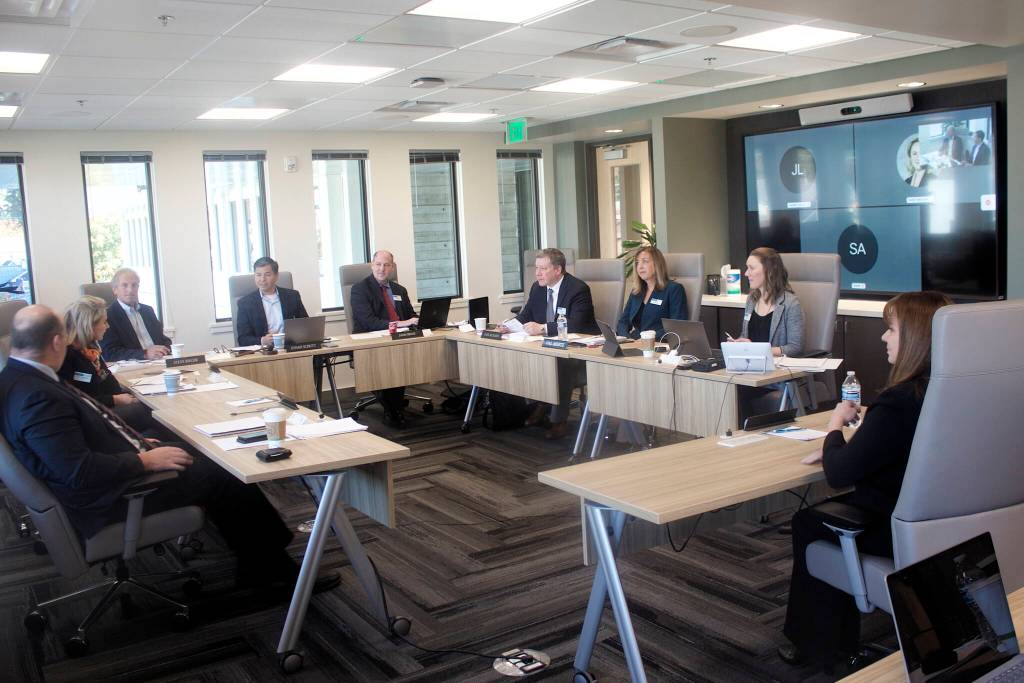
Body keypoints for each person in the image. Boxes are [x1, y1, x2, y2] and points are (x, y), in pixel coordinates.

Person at [0, 305, 338, 593]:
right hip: (112, 499)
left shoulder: (17, 379)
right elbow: (77, 472)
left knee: (200, 451)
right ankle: (272, 574)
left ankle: (257, 555)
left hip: (108, 481)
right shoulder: (36, 395)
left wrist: (142, 447)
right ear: (57, 341)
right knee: (224, 471)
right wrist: (142, 461)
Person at [778, 291, 953, 670]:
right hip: (946, 526)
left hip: (892, 525)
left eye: (890, 330)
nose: (883, 338)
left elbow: (839, 474)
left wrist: (835, 426)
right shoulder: (946, 392)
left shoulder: (897, 402)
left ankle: (819, 646)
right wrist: (865, 431)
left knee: (809, 521)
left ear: (916, 339)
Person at [502, 248, 597, 439]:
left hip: (577, 351)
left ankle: (558, 420)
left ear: (558, 270)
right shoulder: (538, 288)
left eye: (543, 269)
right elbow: (525, 316)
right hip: (545, 346)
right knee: (517, 357)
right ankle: (539, 404)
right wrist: (507, 327)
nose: (537, 273)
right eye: (537, 268)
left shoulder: (578, 289)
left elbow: (576, 324)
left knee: (559, 364)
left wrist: (543, 328)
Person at [59, 295, 160, 434]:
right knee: (153, 413)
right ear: (90, 325)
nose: (107, 326)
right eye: (104, 322)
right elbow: (79, 399)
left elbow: (107, 378)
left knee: (153, 410)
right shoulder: (68, 355)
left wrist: (121, 396)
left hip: (105, 406)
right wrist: (114, 399)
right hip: (93, 416)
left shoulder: (90, 349)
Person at [349, 250, 418, 427]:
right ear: (372, 266)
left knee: (402, 359)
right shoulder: (360, 289)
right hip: (370, 343)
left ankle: (393, 406)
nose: (382, 269)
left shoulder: (399, 290)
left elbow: (410, 315)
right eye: (378, 264)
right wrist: (402, 324)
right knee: (390, 362)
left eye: (386, 265)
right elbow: (369, 322)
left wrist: (419, 321)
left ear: (392, 268)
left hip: (398, 341)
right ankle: (393, 410)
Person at [733, 247, 804, 357]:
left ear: (769, 271)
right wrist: (738, 344)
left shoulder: (791, 303)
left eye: (751, 268)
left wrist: (756, 349)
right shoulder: (751, 299)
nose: (746, 273)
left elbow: (795, 348)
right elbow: (746, 336)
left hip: (777, 369)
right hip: (751, 365)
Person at [100, 268, 172, 362]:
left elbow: (162, 339)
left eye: (134, 285)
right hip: (133, 366)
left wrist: (166, 348)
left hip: (159, 362)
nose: (130, 290)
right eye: (124, 285)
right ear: (115, 290)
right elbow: (110, 352)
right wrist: (145, 353)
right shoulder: (108, 316)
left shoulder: (148, 311)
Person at [616, 246, 687, 340]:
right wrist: (626, 339)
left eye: (645, 261)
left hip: (659, 344)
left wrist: (648, 338)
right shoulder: (636, 292)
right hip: (636, 343)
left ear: (657, 264)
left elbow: (677, 326)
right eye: (637, 263)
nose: (640, 266)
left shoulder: (674, 289)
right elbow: (623, 322)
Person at [235, 257, 308, 346]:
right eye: (258, 275)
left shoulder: (292, 296)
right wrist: (262, 340)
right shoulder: (245, 303)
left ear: (276, 276)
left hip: (290, 347)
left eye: (267, 274)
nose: (262, 279)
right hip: (263, 352)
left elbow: (306, 326)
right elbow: (243, 339)